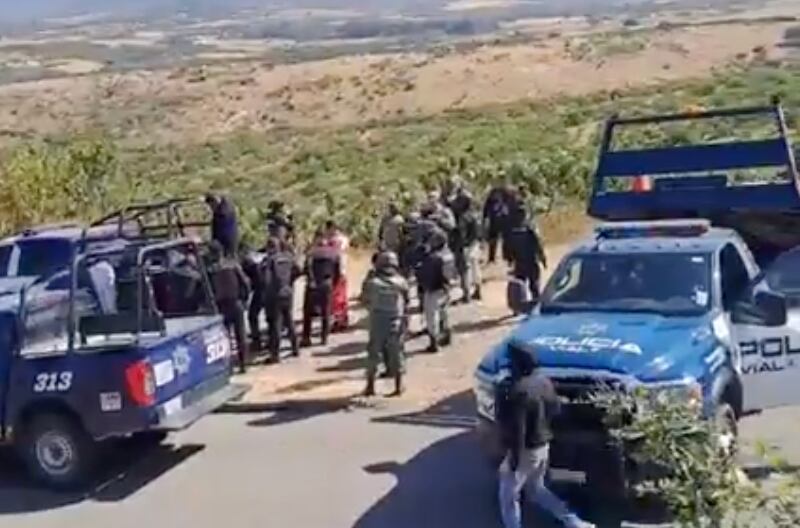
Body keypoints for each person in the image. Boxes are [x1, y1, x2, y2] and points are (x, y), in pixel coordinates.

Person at [497, 346, 595, 528]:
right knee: (536, 490)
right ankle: (575, 523)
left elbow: (518, 429)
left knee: (508, 497)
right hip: (543, 446)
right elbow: (555, 409)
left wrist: (514, 459)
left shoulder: (518, 391)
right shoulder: (544, 383)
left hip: (525, 450)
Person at [361, 251, 409, 397]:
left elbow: (364, 300)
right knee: (397, 353)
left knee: (373, 353)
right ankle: (398, 386)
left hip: (378, 321)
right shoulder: (401, 282)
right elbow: (406, 300)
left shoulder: (372, 283)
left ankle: (370, 387)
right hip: (396, 320)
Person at [207, 241, 251, 373]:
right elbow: (245, 282)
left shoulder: (211, 270)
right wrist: (244, 299)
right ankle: (243, 363)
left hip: (221, 306)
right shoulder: (233, 265)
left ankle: (228, 366)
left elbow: (209, 290)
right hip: (236, 303)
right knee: (240, 335)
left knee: (225, 337)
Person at [263, 237, 302, 362]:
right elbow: (299, 270)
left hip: (276, 295)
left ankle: (275, 355)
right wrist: (290, 281)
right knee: (289, 321)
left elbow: (267, 280)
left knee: (276, 324)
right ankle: (295, 348)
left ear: (270, 248)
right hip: (288, 292)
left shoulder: (270, 260)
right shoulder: (288, 257)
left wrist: (268, 292)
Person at [302, 229, 342, 347]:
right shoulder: (334, 253)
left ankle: (306, 337)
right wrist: (333, 283)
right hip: (327, 283)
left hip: (313, 284)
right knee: (326, 311)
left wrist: (311, 280)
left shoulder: (311, 253)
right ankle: (324, 337)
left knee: (308, 312)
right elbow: (338, 272)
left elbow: (306, 268)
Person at [418, 229, 455, 353]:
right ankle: (447, 336)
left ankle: (433, 342)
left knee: (431, 315)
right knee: (444, 312)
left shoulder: (433, 258)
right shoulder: (448, 254)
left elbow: (426, 275)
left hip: (434, 289)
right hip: (446, 287)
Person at [507, 216, 547, 306]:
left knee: (519, 286)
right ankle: (536, 304)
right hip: (531, 262)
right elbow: (538, 246)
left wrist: (510, 260)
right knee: (534, 287)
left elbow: (508, 248)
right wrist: (543, 259)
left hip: (520, 263)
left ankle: (519, 306)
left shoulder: (512, 233)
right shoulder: (530, 231)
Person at [325, 220, 350, 332]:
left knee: (336, 297)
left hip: (335, 272)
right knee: (341, 297)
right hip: (342, 271)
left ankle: (338, 321)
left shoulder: (332, 241)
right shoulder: (344, 239)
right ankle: (343, 319)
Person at [240, 243, 266, 352]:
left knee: (252, 316)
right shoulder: (256, 260)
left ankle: (257, 342)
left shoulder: (248, 263)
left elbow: (248, 281)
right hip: (267, 290)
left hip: (260, 291)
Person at [483, 185, 510, 264]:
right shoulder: (491, 199)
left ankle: (507, 257)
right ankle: (492, 257)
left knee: (506, 239)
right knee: (493, 240)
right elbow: (486, 209)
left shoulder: (506, 196)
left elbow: (509, 207)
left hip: (503, 220)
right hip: (494, 221)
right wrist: (485, 218)